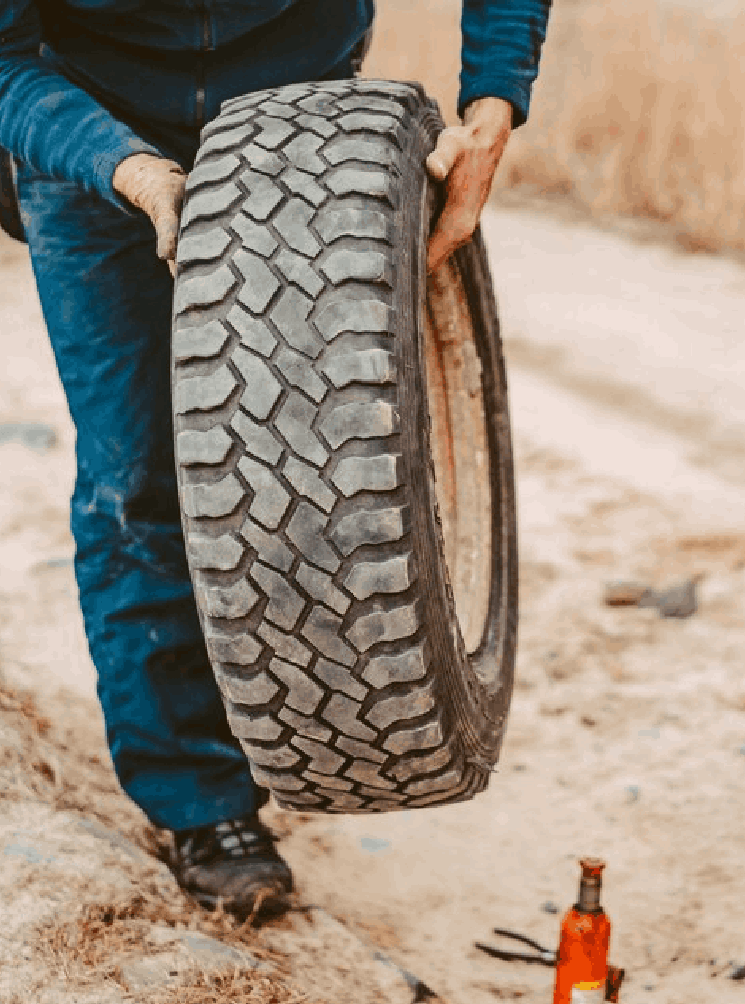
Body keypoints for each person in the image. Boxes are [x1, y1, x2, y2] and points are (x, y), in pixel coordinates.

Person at [0, 0, 551, 918]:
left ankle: (328, 718)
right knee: (137, 480)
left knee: (326, 470)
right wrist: (129, 171)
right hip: (92, 125)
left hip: (299, 120)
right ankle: (202, 804)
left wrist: (494, 101)